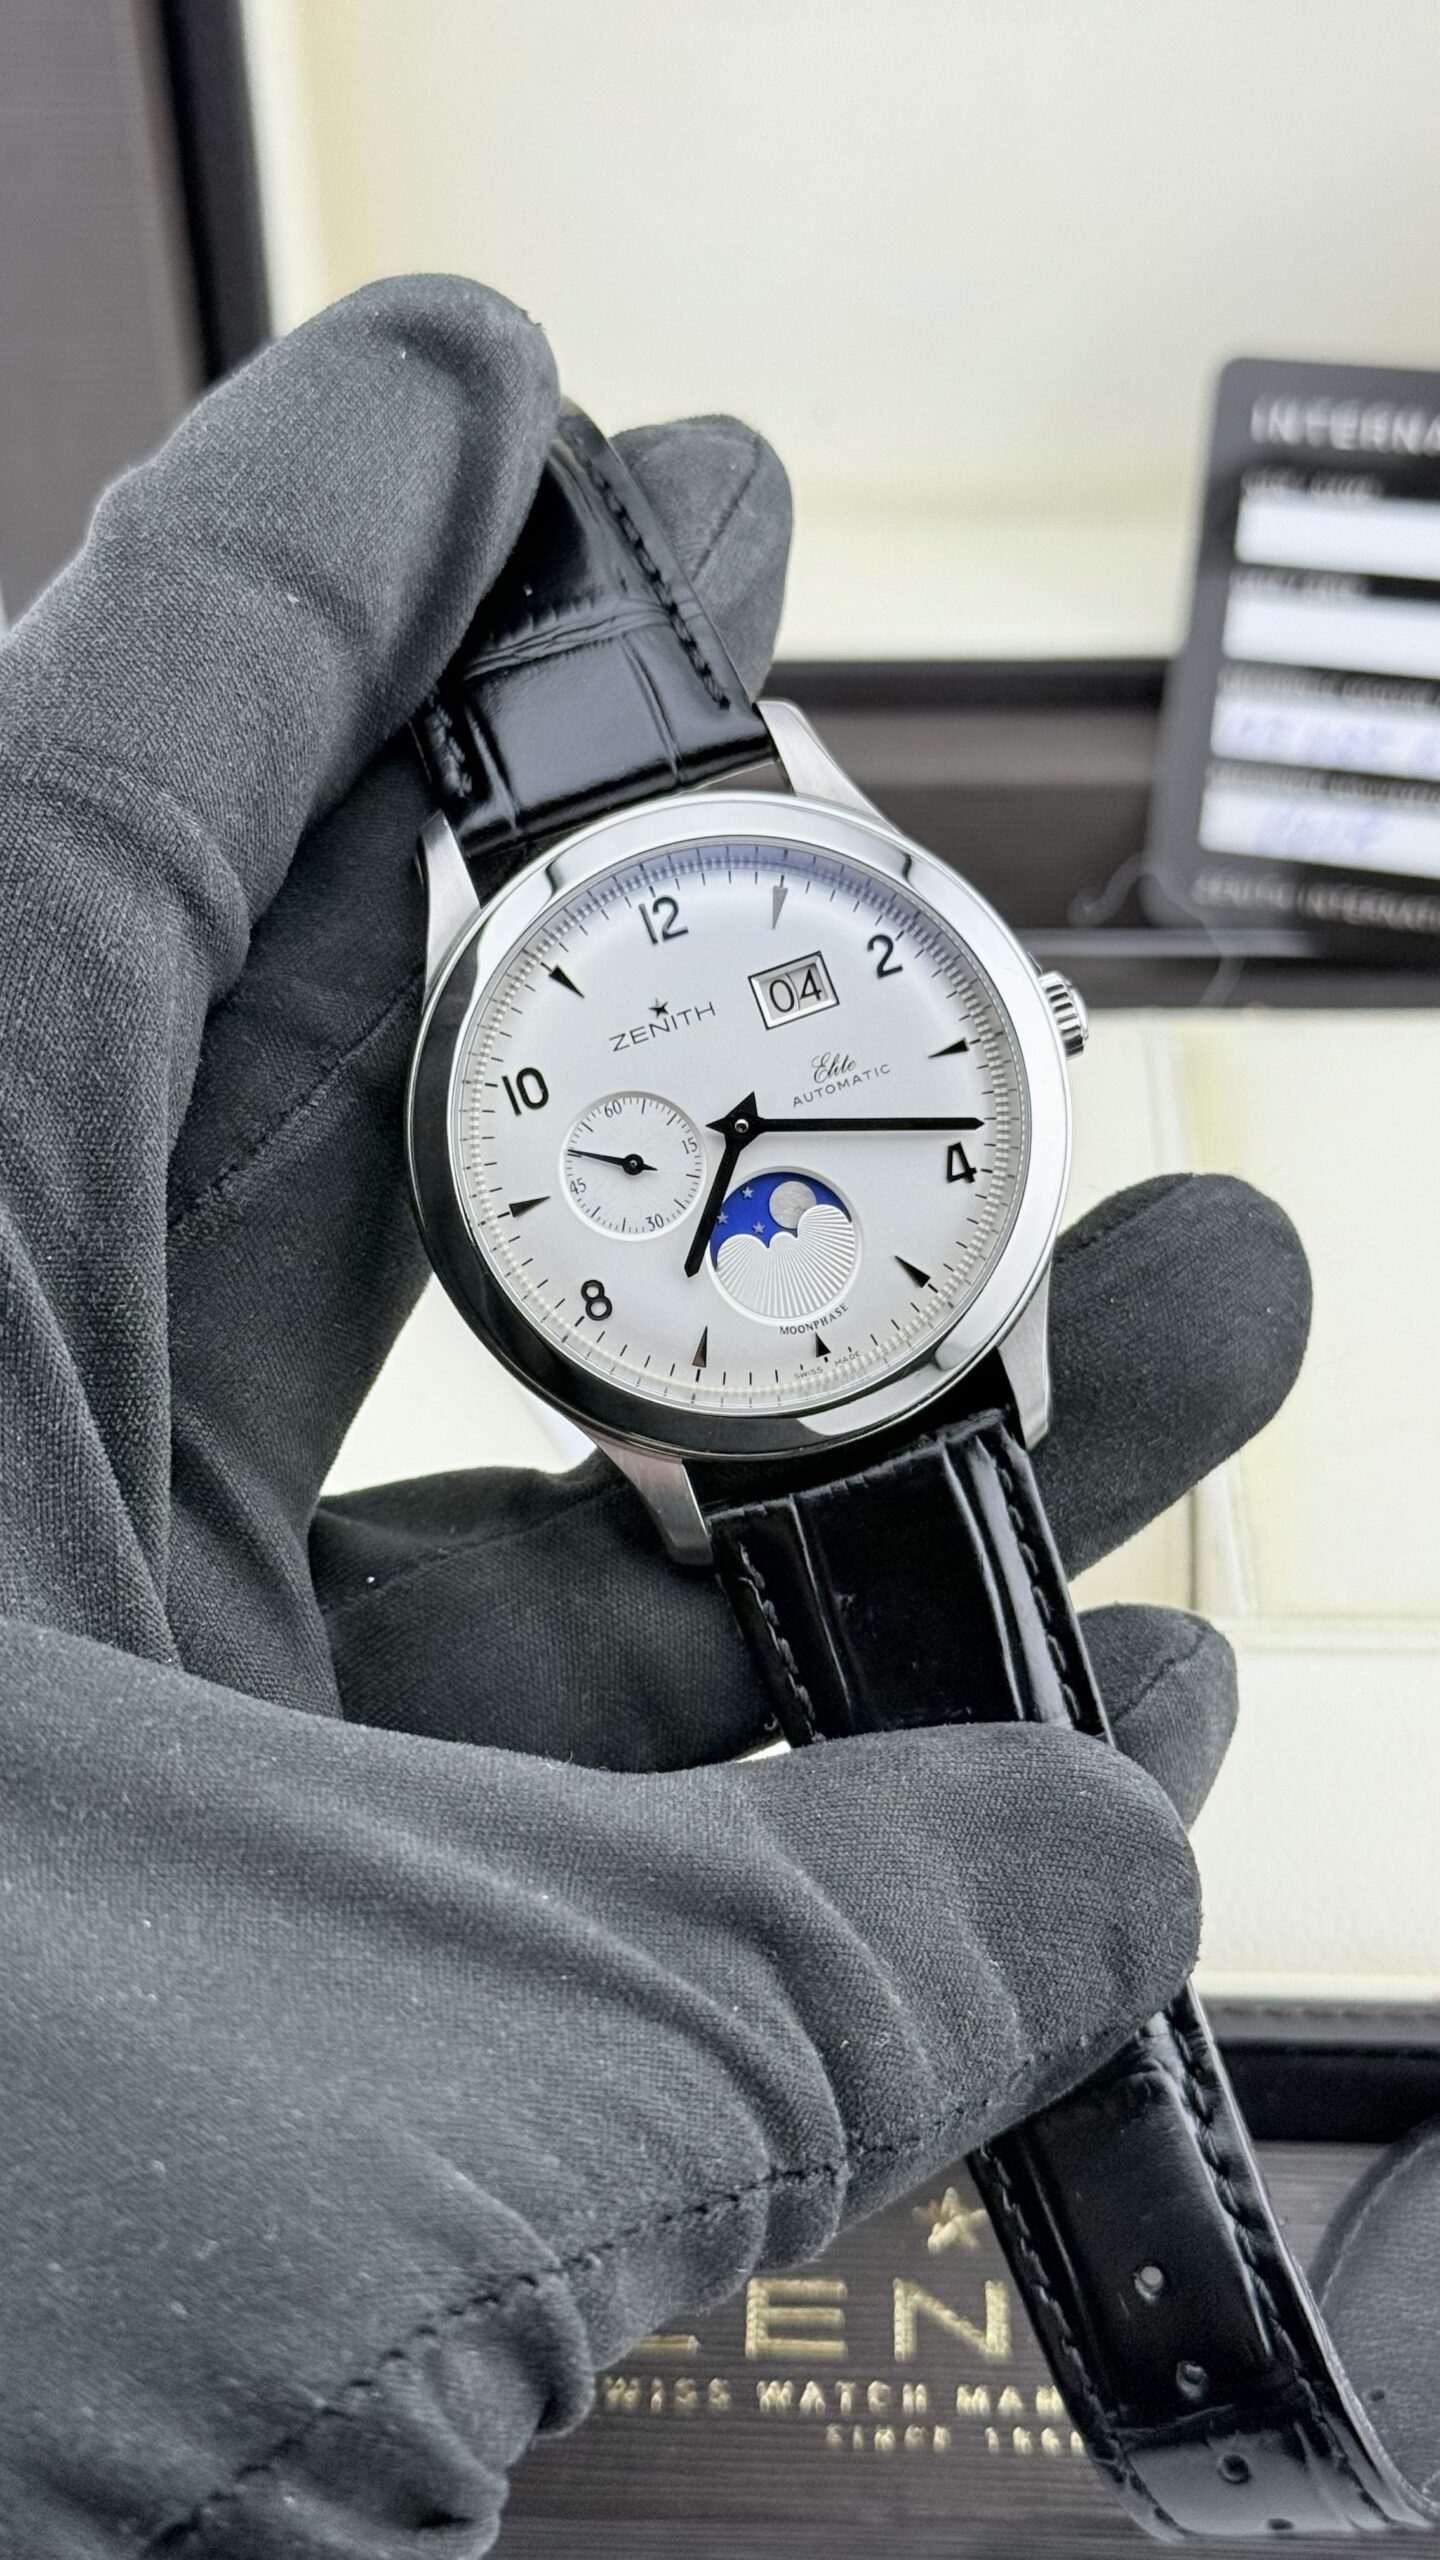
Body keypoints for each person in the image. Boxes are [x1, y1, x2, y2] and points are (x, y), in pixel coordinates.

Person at [0, 272, 1410, 2557]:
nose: (739, 1125)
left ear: (1014, 1019)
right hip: (730, 1385)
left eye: (786, 1088)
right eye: (686, 1124)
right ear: (478, 1159)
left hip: (857, 1336)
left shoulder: (832, 928)